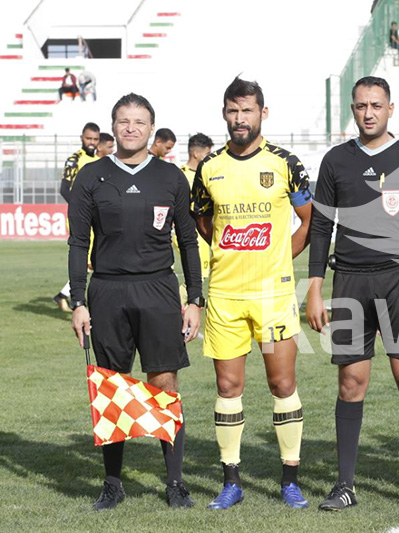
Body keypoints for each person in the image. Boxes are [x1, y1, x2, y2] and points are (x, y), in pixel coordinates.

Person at [307, 76, 399, 514]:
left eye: (376, 105)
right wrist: (313, 287)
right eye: (361, 105)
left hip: (398, 279)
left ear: (390, 108)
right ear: (353, 108)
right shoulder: (335, 160)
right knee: (350, 383)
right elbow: (321, 226)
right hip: (348, 281)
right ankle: (345, 485)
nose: (368, 113)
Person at [68, 93, 202, 510]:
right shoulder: (90, 177)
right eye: (123, 121)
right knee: (111, 386)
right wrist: (78, 301)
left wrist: (195, 298)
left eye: (139, 121)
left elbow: (187, 240)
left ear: (151, 127)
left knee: (164, 384)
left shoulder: (171, 177)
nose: (131, 128)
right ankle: (112, 483)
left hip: (159, 289)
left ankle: (175, 482)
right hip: (106, 290)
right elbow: (77, 243)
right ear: (114, 127)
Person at [190, 77, 313, 510]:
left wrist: (282, 259)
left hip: (273, 295)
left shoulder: (285, 162)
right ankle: (231, 481)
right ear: (224, 113)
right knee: (228, 385)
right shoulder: (208, 168)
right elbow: (204, 224)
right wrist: (230, 253)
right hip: (224, 294)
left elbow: (308, 219)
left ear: (263, 112)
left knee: (282, 383)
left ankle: (289, 480)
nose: (239, 118)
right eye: (232, 110)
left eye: (247, 110)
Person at [54, 122, 101, 311]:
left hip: (96, 216)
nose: (92, 142)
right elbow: (65, 188)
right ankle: (76, 299)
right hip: (81, 216)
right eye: (89, 138)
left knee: (95, 258)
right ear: (82, 137)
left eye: (95, 139)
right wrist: (82, 208)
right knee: (86, 258)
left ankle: (67, 295)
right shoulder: (75, 159)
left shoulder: (99, 160)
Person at [175, 133, 214, 292]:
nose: (210, 157)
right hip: (187, 233)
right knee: (197, 274)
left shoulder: (208, 176)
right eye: (207, 153)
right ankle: (179, 304)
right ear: (196, 153)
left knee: (200, 275)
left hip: (203, 231)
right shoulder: (180, 174)